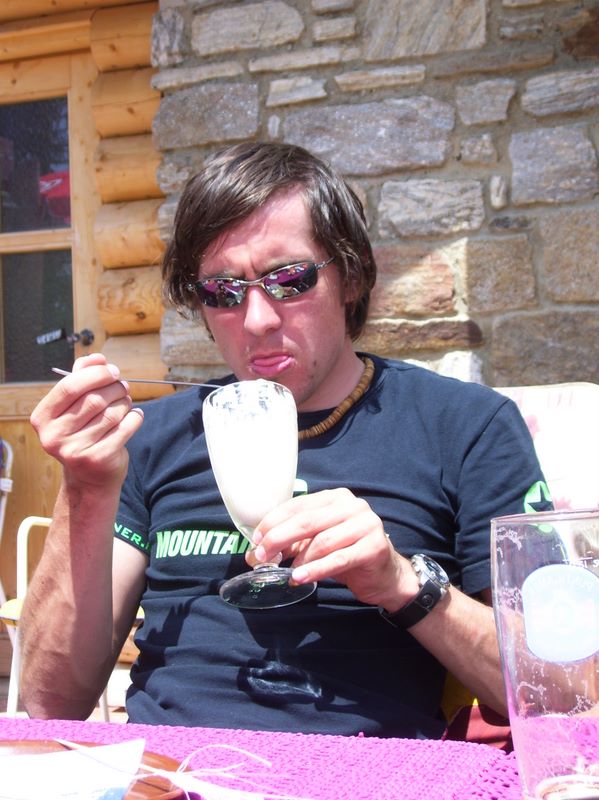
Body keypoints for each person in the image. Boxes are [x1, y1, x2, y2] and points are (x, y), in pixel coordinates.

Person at [21, 141, 551, 738]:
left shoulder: (467, 426)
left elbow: (559, 687)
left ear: (351, 276)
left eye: (290, 280)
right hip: (166, 767)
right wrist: (85, 488)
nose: (257, 320)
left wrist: (402, 584)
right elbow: (51, 703)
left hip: (367, 773)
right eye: (222, 291)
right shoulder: (149, 440)